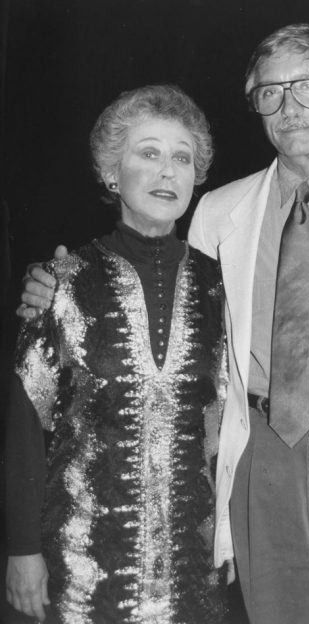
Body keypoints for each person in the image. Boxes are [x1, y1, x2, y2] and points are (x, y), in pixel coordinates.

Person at [17, 23, 309, 624]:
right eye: (270, 92)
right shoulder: (219, 212)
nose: (289, 107)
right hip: (262, 479)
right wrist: (53, 284)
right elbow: (167, 296)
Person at [6, 84, 228, 624]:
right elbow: (22, 428)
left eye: (182, 158)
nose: (167, 172)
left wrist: (231, 535)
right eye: (147, 153)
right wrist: (21, 550)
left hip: (192, 570)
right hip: (82, 570)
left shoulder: (221, 285)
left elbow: (228, 427)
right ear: (111, 172)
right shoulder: (61, 282)